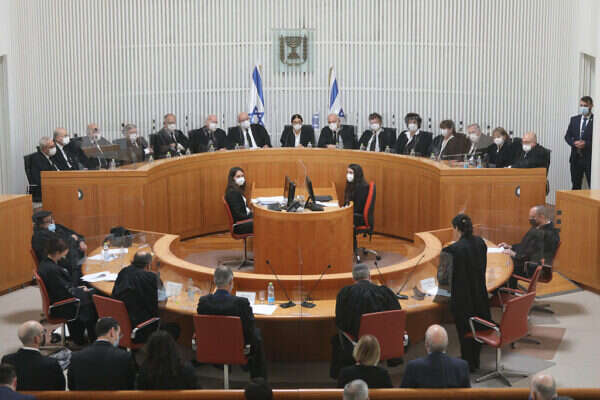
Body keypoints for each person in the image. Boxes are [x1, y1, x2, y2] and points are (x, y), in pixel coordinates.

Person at [331, 264, 400, 378]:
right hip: (381, 342)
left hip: (356, 343)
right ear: (369, 276)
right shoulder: (385, 292)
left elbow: (340, 322)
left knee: (337, 338)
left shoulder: (344, 293)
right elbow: (396, 317)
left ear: (353, 279)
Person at [196, 266, 267, 379]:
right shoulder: (241, 303)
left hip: (212, 348)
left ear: (214, 281)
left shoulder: (203, 302)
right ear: (231, 282)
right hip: (237, 349)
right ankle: (258, 379)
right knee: (256, 334)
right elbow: (249, 329)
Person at [442, 214, 490, 372]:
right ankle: (474, 360)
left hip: (462, 300)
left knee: (464, 332)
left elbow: (443, 279)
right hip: (480, 295)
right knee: (477, 328)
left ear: (456, 228)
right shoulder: (481, 242)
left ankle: (468, 363)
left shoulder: (451, 250)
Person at [37, 237, 97, 345]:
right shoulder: (53, 270)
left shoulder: (45, 264)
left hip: (58, 299)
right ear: (57, 252)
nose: (65, 256)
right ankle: (90, 339)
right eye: (63, 253)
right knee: (94, 298)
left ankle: (80, 336)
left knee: (89, 292)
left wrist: (78, 289)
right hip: (62, 306)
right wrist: (81, 291)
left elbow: (63, 288)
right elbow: (66, 292)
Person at [67, 317, 136, 390]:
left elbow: (71, 387)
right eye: (119, 334)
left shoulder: (76, 357)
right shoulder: (124, 357)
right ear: (112, 332)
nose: (119, 338)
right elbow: (130, 386)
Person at [498, 205, 560, 283]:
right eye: (530, 217)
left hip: (530, 267)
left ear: (542, 217)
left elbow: (534, 256)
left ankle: (504, 289)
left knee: (502, 266)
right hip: (523, 259)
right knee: (501, 259)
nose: (530, 219)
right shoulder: (538, 226)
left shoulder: (549, 235)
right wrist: (510, 247)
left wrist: (514, 254)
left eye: (533, 217)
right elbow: (525, 245)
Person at [400, 324, 471, 388]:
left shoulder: (413, 367)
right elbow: (467, 395)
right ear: (447, 343)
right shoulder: (461, 366)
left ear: (426, 344)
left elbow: (402, 394)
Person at [1, 321, 65, 391]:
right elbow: (60, 390)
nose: (47, 335)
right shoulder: (51, 363)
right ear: (36, 339)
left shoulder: (7, 360)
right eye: (43, 333)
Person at [111, 251, 160, 339]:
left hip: (119, 326)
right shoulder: (150, 277)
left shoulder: (124, 271)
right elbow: (158, 301)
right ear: (148, 265)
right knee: (173, 328)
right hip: (140, 329)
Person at [31, 210, 86, 284]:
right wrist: (72, 239)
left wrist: (80, 241)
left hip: (74, 257)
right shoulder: (39, 237)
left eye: (52, 219)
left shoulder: (56, 227)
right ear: (40, 225)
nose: (52, 222)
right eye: (49, 221)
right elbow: (60, 247)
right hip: (62, 265)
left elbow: (75, 234)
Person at [564, 96, 594, 190]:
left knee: (593, 186)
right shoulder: (574, 119)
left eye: (585, 106)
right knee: (575, 186)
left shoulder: (597, 121)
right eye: (581, 105)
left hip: (590, 160)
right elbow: (567, 136)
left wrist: (586, 144)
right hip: (575, 159)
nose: (583, 108)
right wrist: (574, 143)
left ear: (591, 106)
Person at [343, 164, 370, 250]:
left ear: (357, 174)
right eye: (347, 172)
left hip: (358, 217)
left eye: (351, 173)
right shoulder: (352, 185)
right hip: (353, 213)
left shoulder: (361, 187)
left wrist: (344, 212)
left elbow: (358, 208)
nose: (348, 175)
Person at [224, 167, 253, 235]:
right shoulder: (232, 193)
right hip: (240, 225)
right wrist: (253, 214)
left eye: (242, 176)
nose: (241, 178)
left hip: (244, 220)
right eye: (238, 176)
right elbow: (239, 216)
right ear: (232, 178)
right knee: (264, 221)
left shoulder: (236, 190)